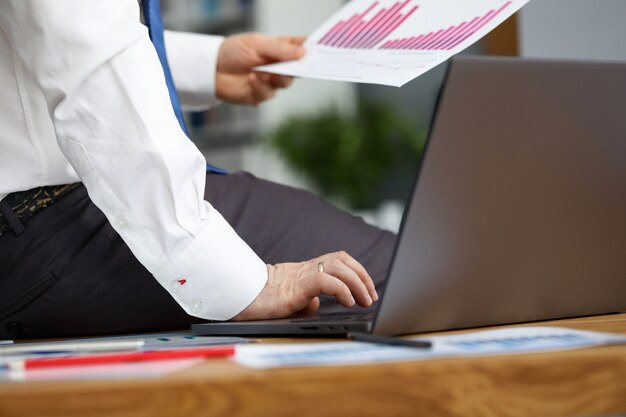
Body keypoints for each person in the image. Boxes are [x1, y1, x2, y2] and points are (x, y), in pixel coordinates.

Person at [0, 1, 396, 339]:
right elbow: (89, 56)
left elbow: (60, 29)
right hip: (42, 228)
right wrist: (243, 284)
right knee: (394, 280)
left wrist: (206, 64)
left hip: (33, 235)